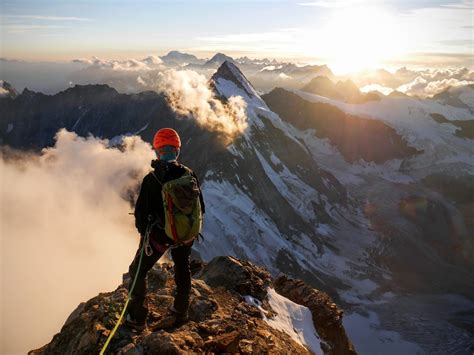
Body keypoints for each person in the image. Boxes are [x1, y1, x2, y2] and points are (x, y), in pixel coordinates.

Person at [125, 127, 205, 330]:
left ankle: (137, 318)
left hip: (159, 237)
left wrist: (146, 238)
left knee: (137, 271)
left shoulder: (152, 180)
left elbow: (142, 217)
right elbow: (200, 208)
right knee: (182, 268)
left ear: (157, 150)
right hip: (184, 234)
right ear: (177, 150)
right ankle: (180, 312)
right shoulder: (189, 174)